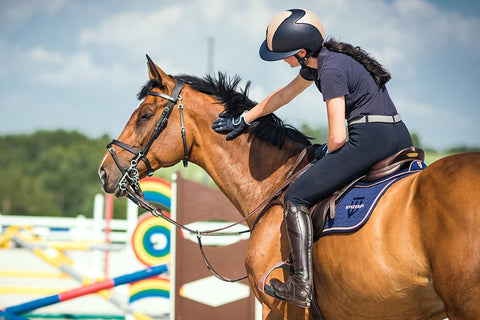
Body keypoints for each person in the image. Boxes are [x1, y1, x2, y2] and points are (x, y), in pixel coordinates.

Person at [212, 8, 413, 308]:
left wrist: (324, 151)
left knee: (296, 195)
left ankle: (302, 286)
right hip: (397, 136)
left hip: (370, 140)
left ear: (302, 52)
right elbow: (283, 96)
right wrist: (245, 119)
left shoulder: (330, 71)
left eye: (286, 55)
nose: (284, 61)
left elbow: (338, 137)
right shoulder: (327, 60)